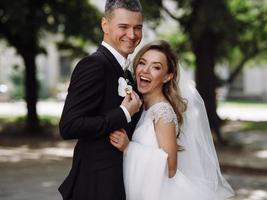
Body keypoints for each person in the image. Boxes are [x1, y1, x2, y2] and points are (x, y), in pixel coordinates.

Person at [110, 40, 235, 200]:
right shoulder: (141, 107)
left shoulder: (162, 112)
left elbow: (170, 167)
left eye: (156, 67)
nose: (146, 71)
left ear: (167, 76)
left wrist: (129, 148)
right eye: (142, 63)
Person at [58, 0, 143, 199]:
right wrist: (123, 114)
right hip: (95, 185)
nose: (132, 35)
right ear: (105, 25)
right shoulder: (94, 65)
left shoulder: (125, 71)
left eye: (137, 28)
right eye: (123, 27)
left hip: (117, 181)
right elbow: (69, 126)